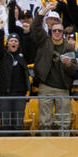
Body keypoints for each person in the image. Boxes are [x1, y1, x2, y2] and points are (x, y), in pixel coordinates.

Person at [32, 2, 77, 136]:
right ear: (50, 31)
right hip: (45, 86)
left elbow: (74, 69)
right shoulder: (44, 41)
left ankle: (64, 150)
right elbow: (35, 26)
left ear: (63, 32)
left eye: (60, 30)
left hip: (63, 88)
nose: (57, 32)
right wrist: (45, 10)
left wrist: (69, 64)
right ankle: (46, 148)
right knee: (44, 122)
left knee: (64, 122)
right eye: (54, 30)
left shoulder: (68, 47)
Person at [0, 31, 30, 136]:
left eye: (16, 41)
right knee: (6, 124)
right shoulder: (2, 56)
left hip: (19, 96)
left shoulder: (22, 57)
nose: (13, 42)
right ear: (7, 43)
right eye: (11, 40)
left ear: (18, 44)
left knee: (18, 124)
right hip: (4, 95)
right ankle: (5, 149)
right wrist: (0, 31)